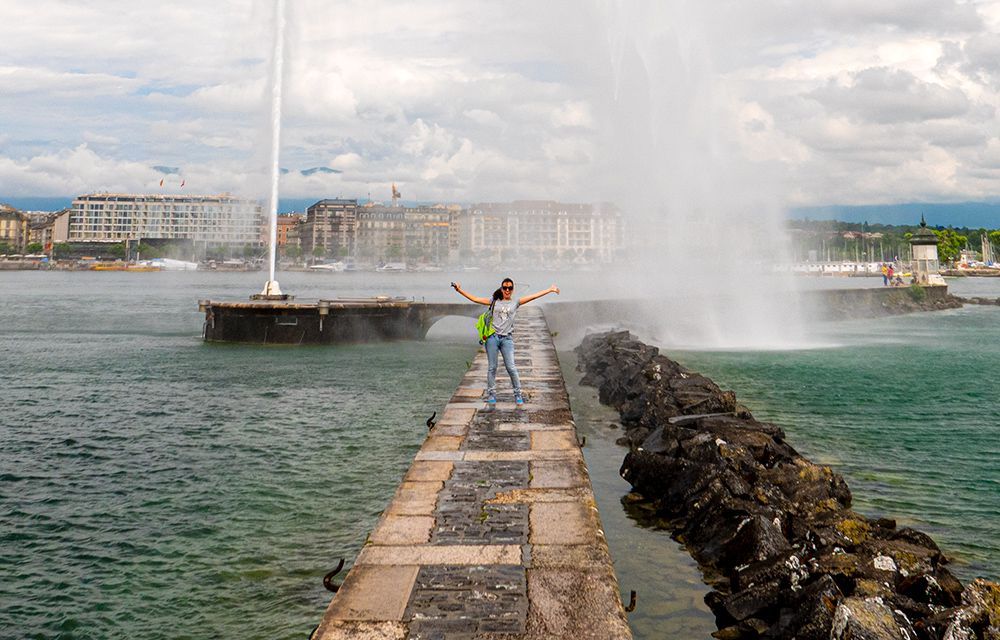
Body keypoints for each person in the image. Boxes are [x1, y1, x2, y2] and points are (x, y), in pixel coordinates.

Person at [451, 278, 560, 405]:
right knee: (492, 368)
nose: (507, 290)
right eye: (505, 288)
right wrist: (459, 290)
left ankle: (518, 394)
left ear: (512, 290)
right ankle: (491, 394)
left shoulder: (516, 302)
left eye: (510, 288)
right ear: (501, 288)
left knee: (511, 368)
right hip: (492, 338)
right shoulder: (493, 301)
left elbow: (533, 297)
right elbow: (475, 299)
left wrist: (550, 290)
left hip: (507, 339)